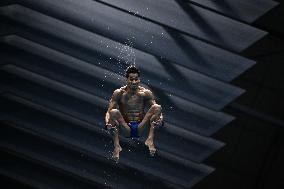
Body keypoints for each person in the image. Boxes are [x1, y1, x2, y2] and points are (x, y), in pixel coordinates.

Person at [105, 66, 163, 162]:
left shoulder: (145, 93)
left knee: (157, 107)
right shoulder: (119, 93)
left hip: (141, 126)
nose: (134, 82)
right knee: (113, 112)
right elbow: (108, 111)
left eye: (136, 79)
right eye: (131, 79)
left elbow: (157, 110)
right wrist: (107, 124)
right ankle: (117, 146)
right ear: (127, 79)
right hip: (125, 128)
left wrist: (160, 120)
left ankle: (150, 140)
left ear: (139, 79)